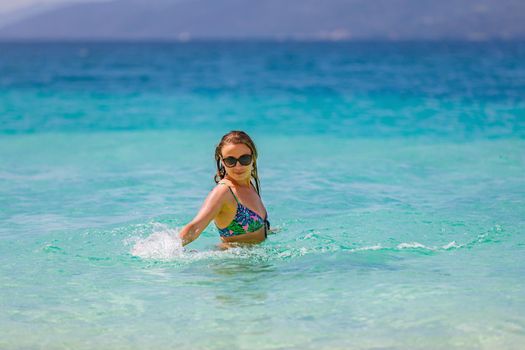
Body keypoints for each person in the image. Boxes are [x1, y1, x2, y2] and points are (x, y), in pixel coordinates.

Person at [179, 130, 270, 249]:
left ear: (253, 158)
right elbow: (194, 227)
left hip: (257, 264)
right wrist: (163, 250)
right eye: (230, 161)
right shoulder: (224, 192)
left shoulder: (248, 184)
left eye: (244, 159)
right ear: (222, 161)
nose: (238, 166)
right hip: (232, 265)